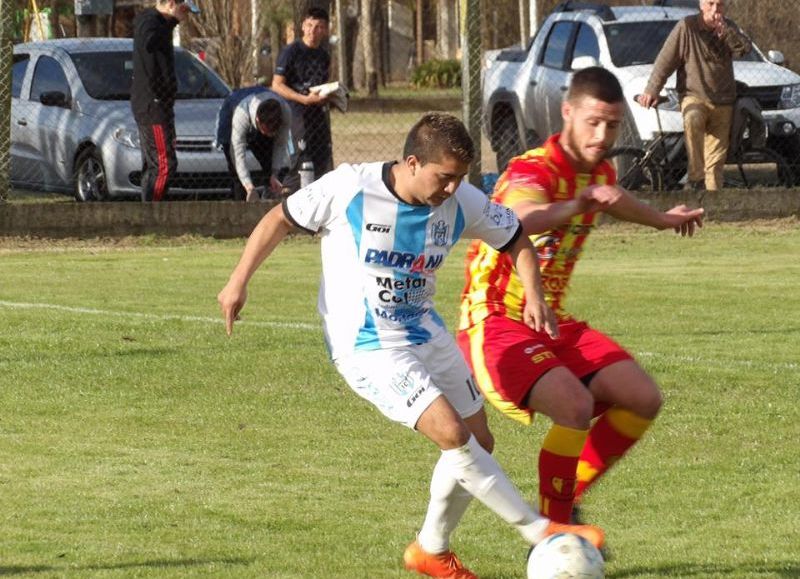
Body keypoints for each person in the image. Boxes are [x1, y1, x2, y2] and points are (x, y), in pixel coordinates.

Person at [218, 113, 604, 578]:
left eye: (460, 178)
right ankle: (539, 529)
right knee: (453, 435)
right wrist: (237, 282)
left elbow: (517, 238)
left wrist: (535, 296)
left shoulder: (462, 199)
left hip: (424, 329)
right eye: (444, 177)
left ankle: (431, 550)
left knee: (479, 440)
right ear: (413, 162)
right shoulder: (350, 188)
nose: (452, 188)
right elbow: (279, 219)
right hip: (366, 344)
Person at [457, 67, 705, 528]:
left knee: (642, 395)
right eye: (593, 122)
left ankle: (565, 499)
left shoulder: (600, 171)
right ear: (567, 113)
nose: (603, 135)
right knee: (575, 406)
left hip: (549, 320)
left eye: (612, 125)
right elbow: (519, 217)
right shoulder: (533, 168)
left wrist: (663, 220)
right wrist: (579, 204)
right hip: (493, 321)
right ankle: (557, 531)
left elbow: (613, 198)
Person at [639, 0, 751, 191]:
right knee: (693, 119)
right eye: (711, 4)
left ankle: (713, 206)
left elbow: (744, 50)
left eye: (720, 5)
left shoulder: (729, 26)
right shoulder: (687, 27)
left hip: (723, 101)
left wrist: (726, 34)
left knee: (715, 162)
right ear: (701, 5)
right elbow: (665, 61)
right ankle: (695, 181)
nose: (715, 10)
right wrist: (652, 89)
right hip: (694, 96)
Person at [131, 0, 199, 202]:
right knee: (164, 165)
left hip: (162, 104)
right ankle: (154, 210)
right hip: (152, 104)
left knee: (155, 165)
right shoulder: (150, 22)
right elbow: (148, 42)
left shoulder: (162, 24)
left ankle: (149, 207)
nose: (185, 16)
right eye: (183, 10)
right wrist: (170, 23)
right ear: (171, 4)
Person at [271, 7, 333, 181]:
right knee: (301, 162)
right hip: (296, 113)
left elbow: (321, 84)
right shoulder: (291, 52)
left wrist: (329, 97)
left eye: (319, 26)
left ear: (326, 30)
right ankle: (290, 195)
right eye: (310, 25)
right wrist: (304, 99)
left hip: (317, 114)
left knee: (321, 159)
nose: (313, 30)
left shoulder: (324, 55)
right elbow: (277, 85)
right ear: (303, 26)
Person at [215, 88, 295, 201]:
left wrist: (274, 173)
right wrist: (248, 186)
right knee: (236, 173)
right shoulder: (241, 114)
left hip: (260, 112)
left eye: (273, 132)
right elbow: (238, 153)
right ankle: (240, 206)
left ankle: (270, 197)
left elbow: (280, 144)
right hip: (232, 110)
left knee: (270, 167)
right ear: (257, 120)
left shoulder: (285, 111)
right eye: (266, 131)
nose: (270, 135)